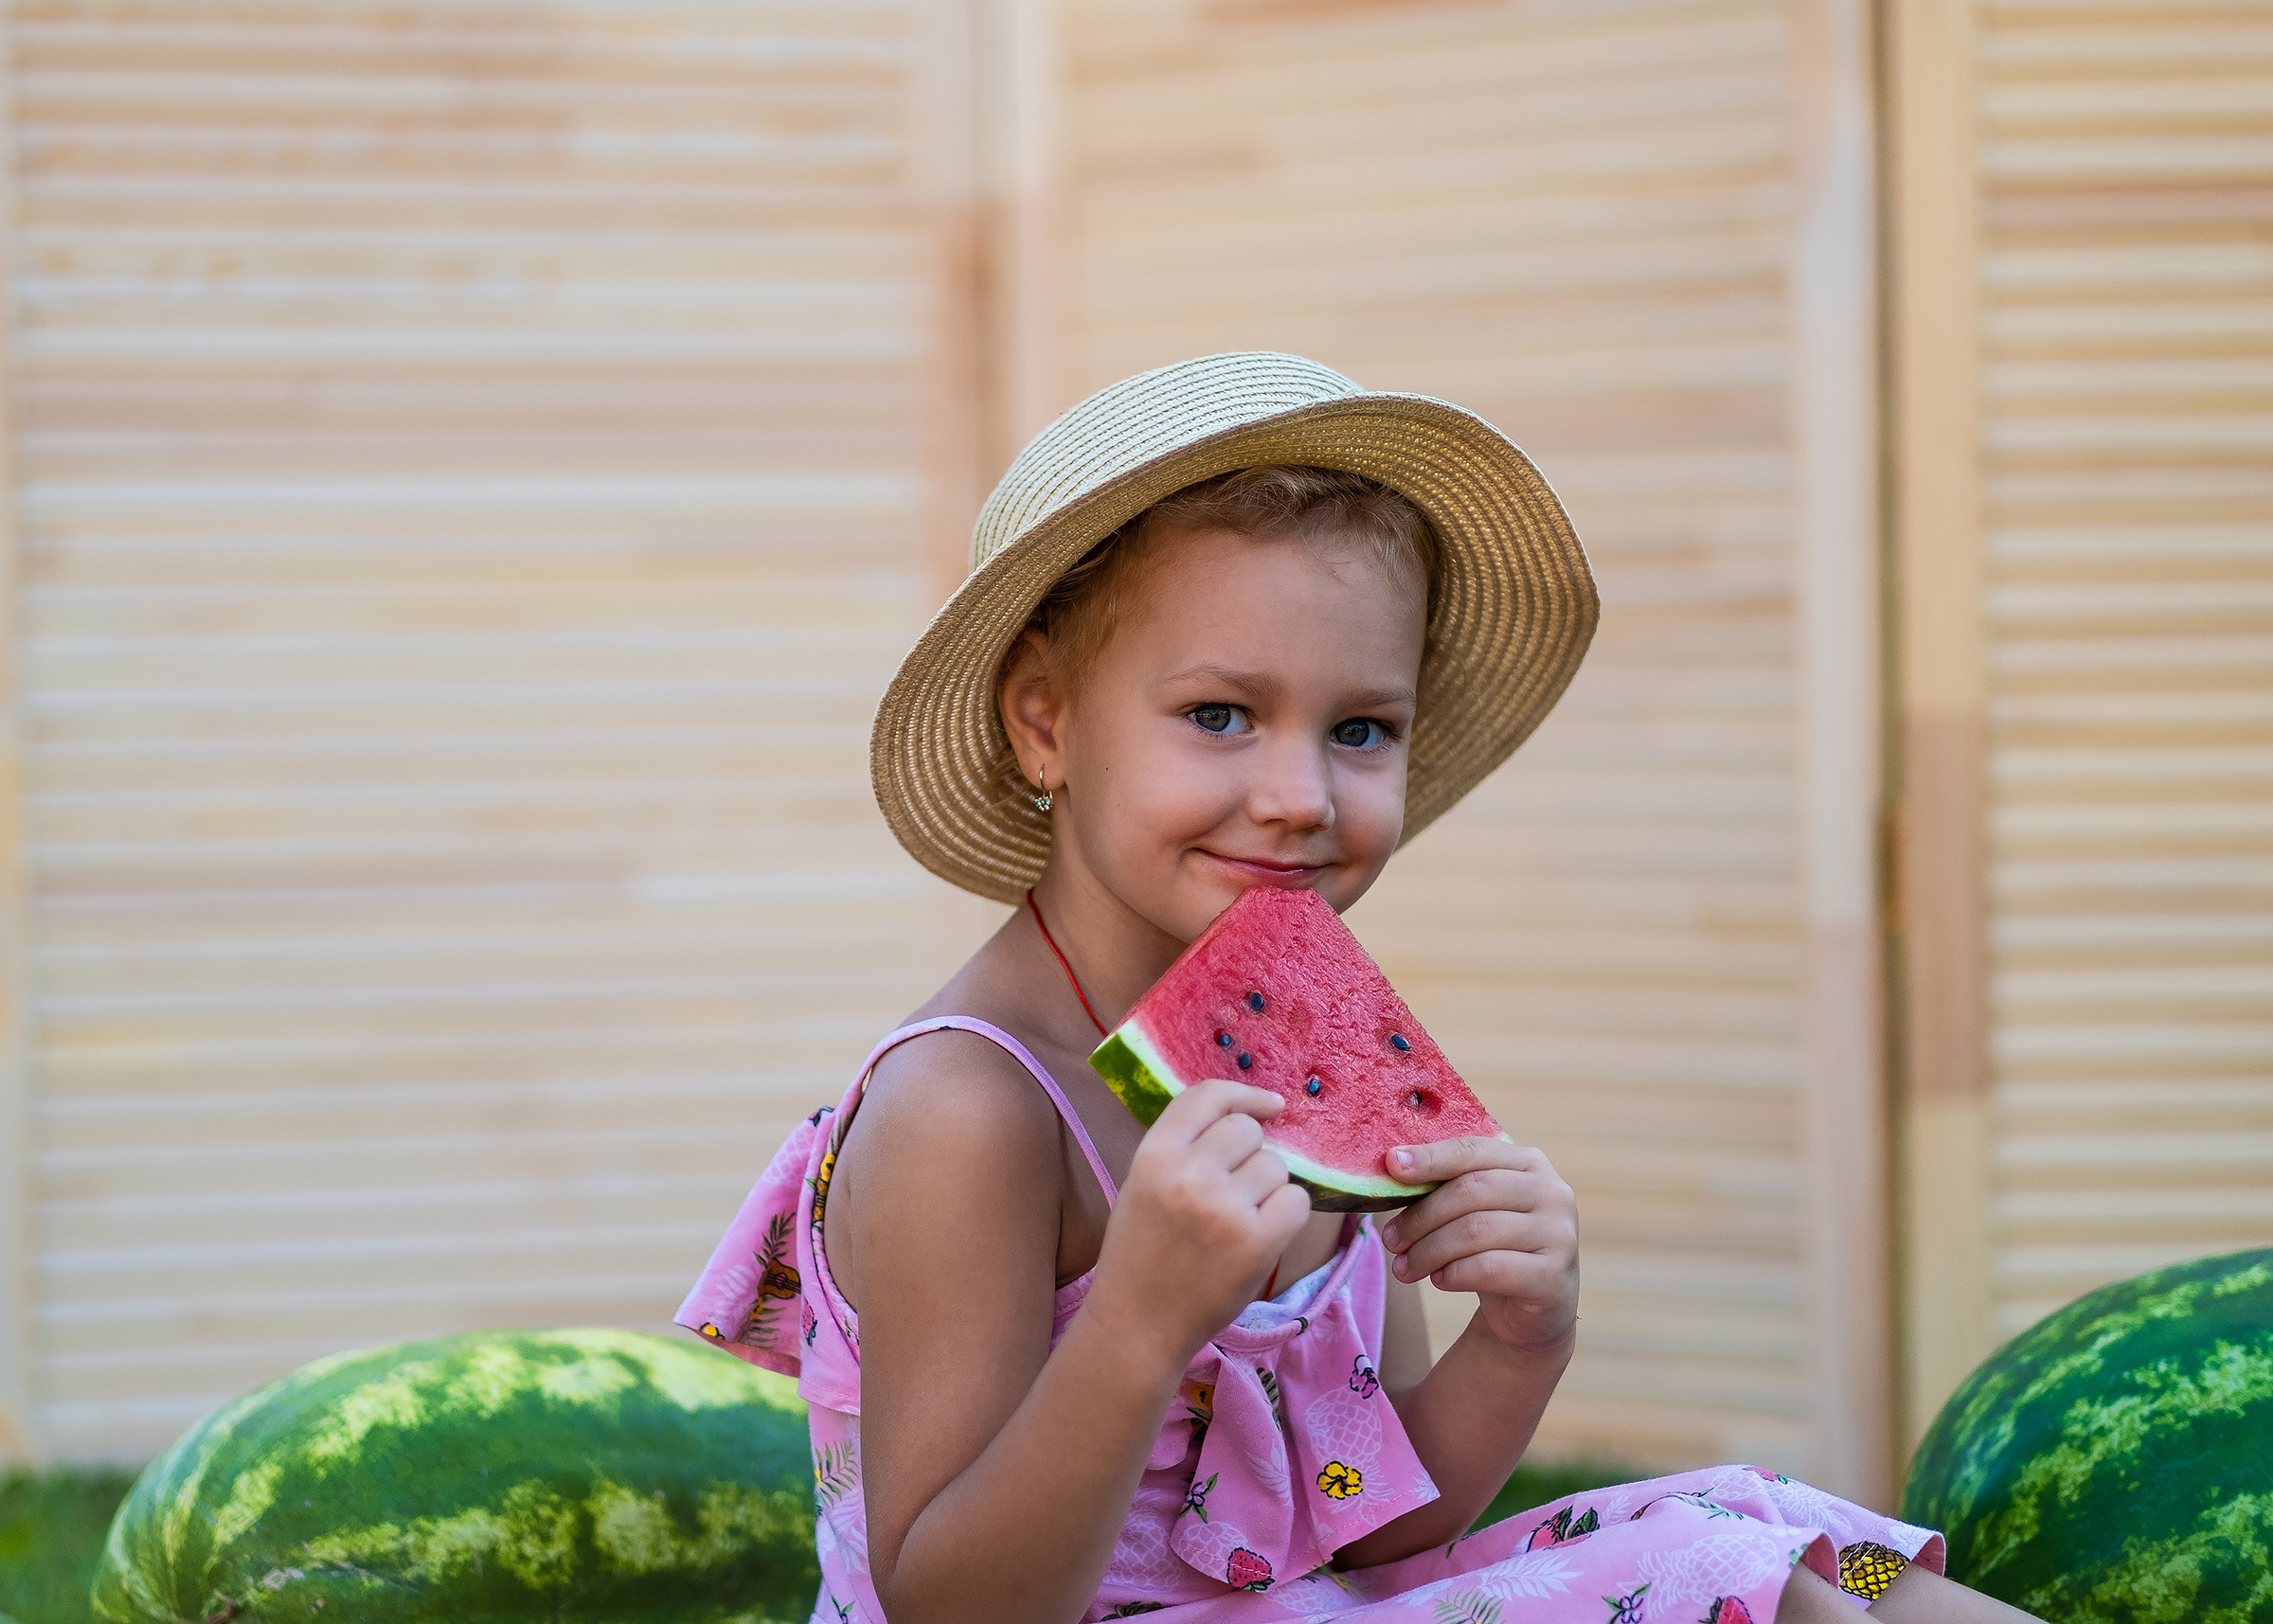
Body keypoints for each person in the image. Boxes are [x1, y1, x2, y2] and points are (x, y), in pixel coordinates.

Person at [680, 354, 2037, 1624]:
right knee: (1706, 1575)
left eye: (1360, 729)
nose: (1299, 797)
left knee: (1783, 1541)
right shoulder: (967, 1108)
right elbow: (949, 1603)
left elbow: (1364, 1530)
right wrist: (1141, 1319)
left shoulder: (1308, 1048)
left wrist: (1520, 1341)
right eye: (1220, 714)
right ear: (1045, 720)